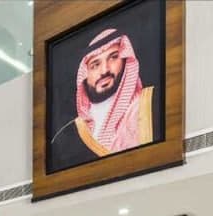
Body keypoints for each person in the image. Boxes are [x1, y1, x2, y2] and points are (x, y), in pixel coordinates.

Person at [49, 28, 160, 172]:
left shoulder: (153, 104)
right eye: (95, 65)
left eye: (113, 57)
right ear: (85, 74)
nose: (104, 70)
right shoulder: (66, 136)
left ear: (125, 59)